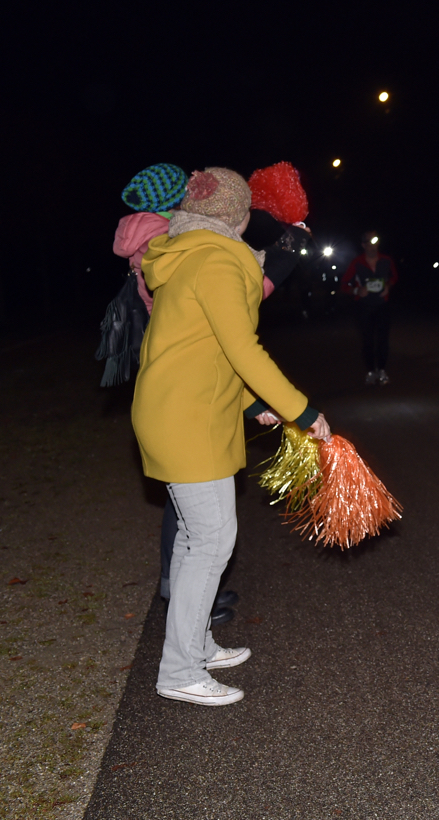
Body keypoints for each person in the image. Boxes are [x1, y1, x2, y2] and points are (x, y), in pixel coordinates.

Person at [132, 167, 331, 706]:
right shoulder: (219, 259)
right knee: (212, 541)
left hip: (182, 410)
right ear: (239, 217)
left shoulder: (187, 254)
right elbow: (242, 348)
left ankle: (194, 644)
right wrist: (300, 411)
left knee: (197, 541)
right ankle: (179, 671)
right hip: (186, 418)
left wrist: (252, 404)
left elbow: (199, 346)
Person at [341, 231, 398, 385]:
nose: (373, 246)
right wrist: (357, 290)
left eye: (375, 243)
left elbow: (394, 277)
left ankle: (382, 370)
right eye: (369, 243)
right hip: (364, 307)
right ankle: (370, 371)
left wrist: (388, 285)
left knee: (383, 340)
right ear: (363, 245)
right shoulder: (357, 263)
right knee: (367, 341)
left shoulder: (386, 260)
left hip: (382, 305)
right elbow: (344, 284)